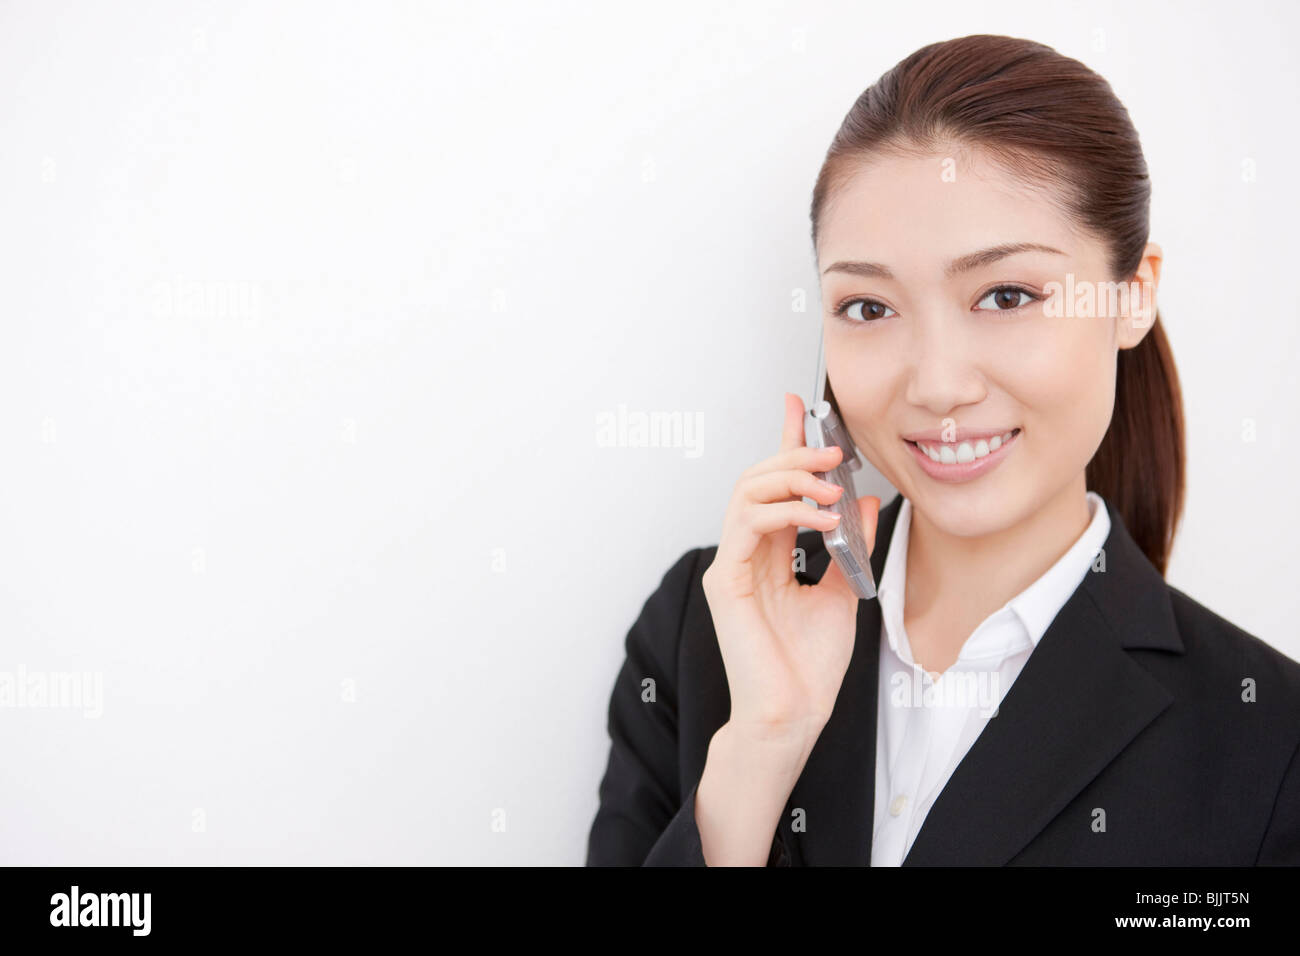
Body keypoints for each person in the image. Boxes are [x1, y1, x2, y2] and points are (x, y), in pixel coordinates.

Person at [586, 34, 1300, 866]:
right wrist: (761, 751)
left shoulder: (1268, 745)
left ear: (1132, 296)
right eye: (868, 307)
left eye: (1005, 295)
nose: (936, 384)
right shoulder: (704, 631)